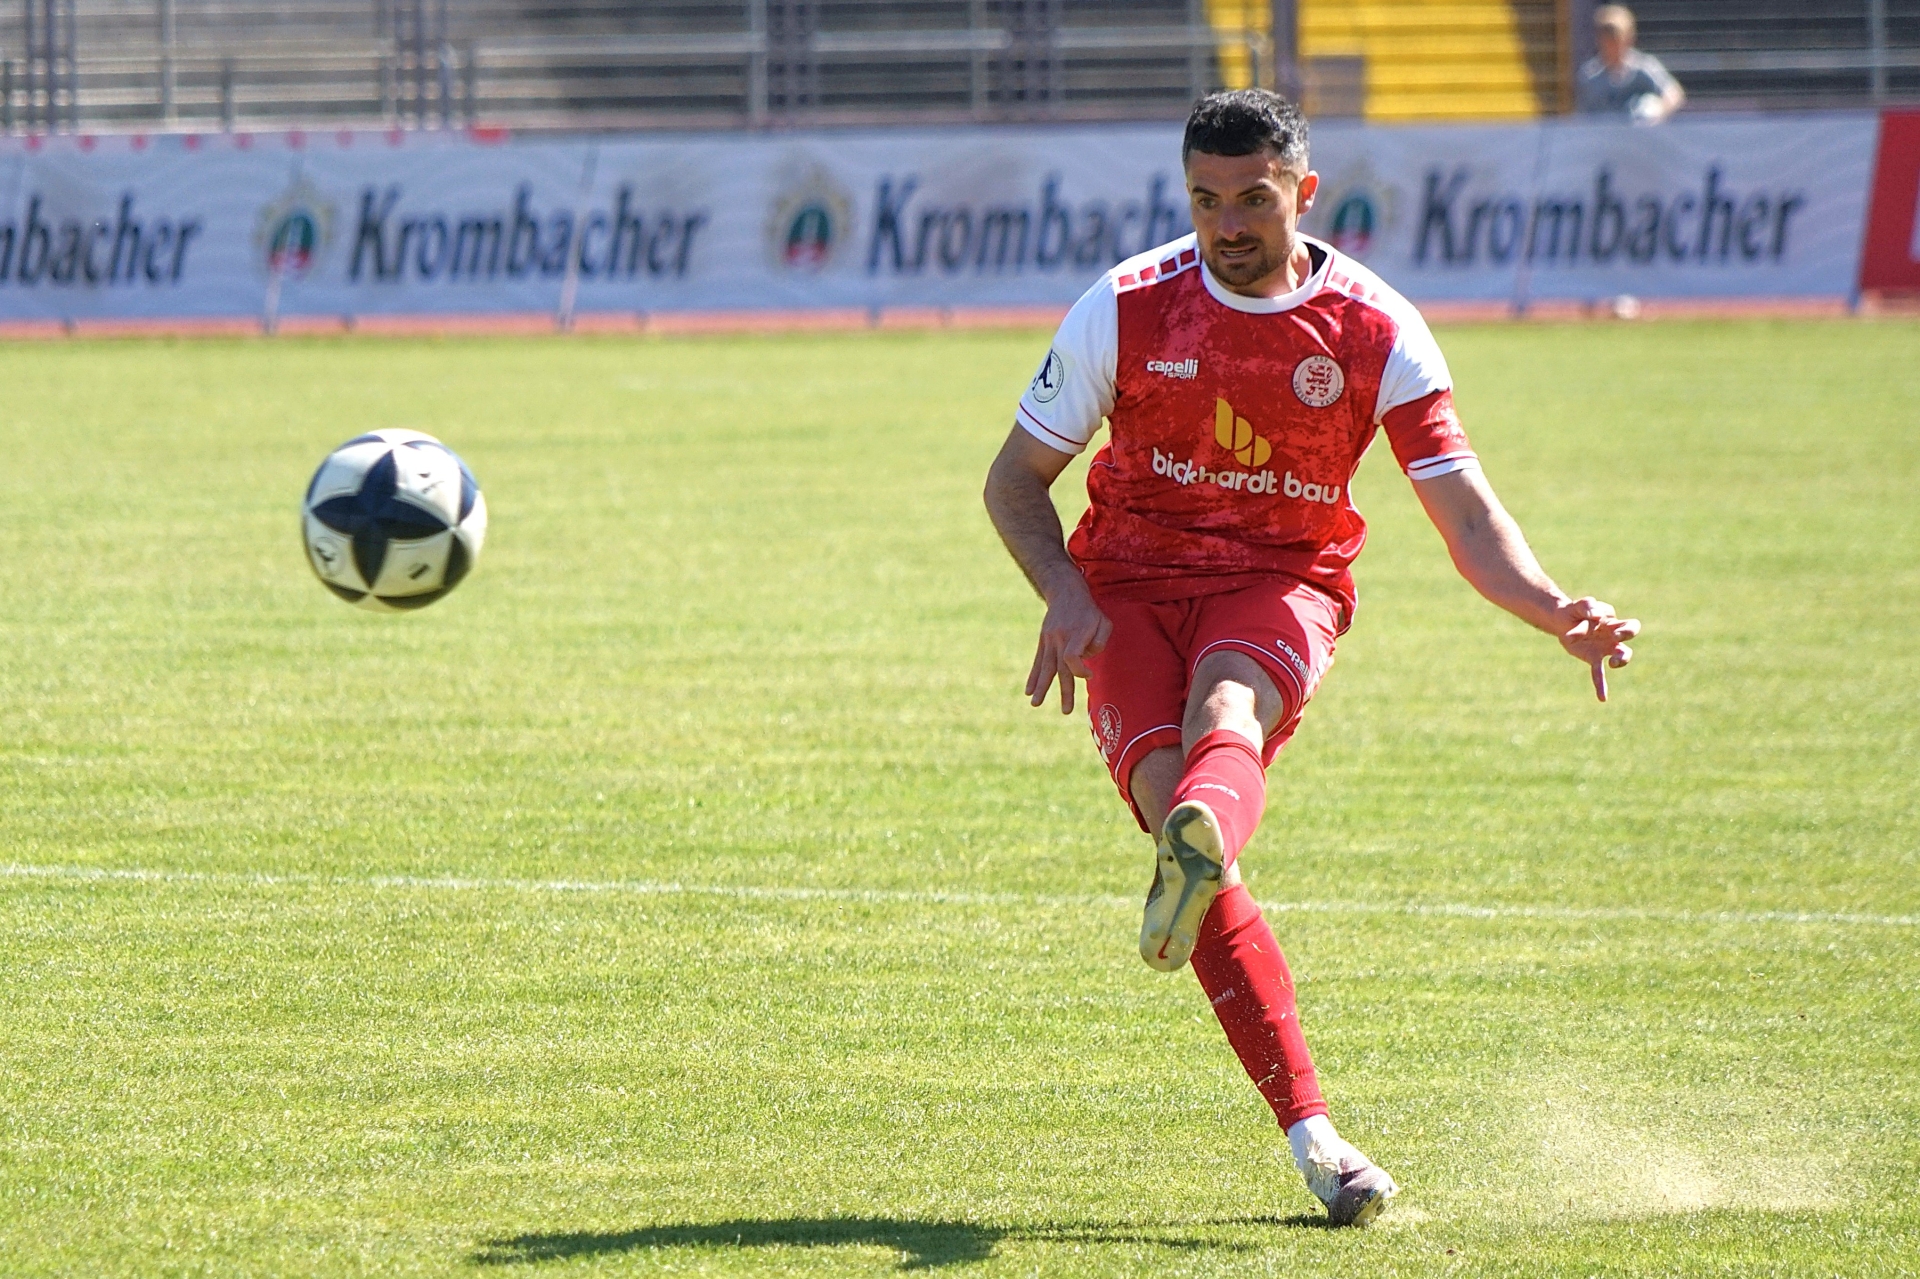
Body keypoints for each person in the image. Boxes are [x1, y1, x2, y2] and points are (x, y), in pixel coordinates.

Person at [981, 89, 1639, 1228]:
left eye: (1251, 199)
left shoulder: (1375, 330)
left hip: (1281, 581)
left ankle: (1207, 851)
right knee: (1175, 806)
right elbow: (1012, 481)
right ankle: (1316, 1137)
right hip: (1130, 586)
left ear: (1304, 192)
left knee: (1224, 711)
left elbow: (1466, 513)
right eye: (1204, 199)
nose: (1225, 223)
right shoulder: (1128, 307)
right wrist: (1067, 591)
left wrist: (1551, 608)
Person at [1577, 5, 1685, 123]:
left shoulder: (1644, 67)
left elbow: (1673, 94)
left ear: (1629, 38)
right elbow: (1583, 115)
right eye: (1607, 37)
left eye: (1616, 38)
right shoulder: (1589, 76)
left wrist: (1658, 112)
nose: (1612, 44)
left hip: (1639, 137)